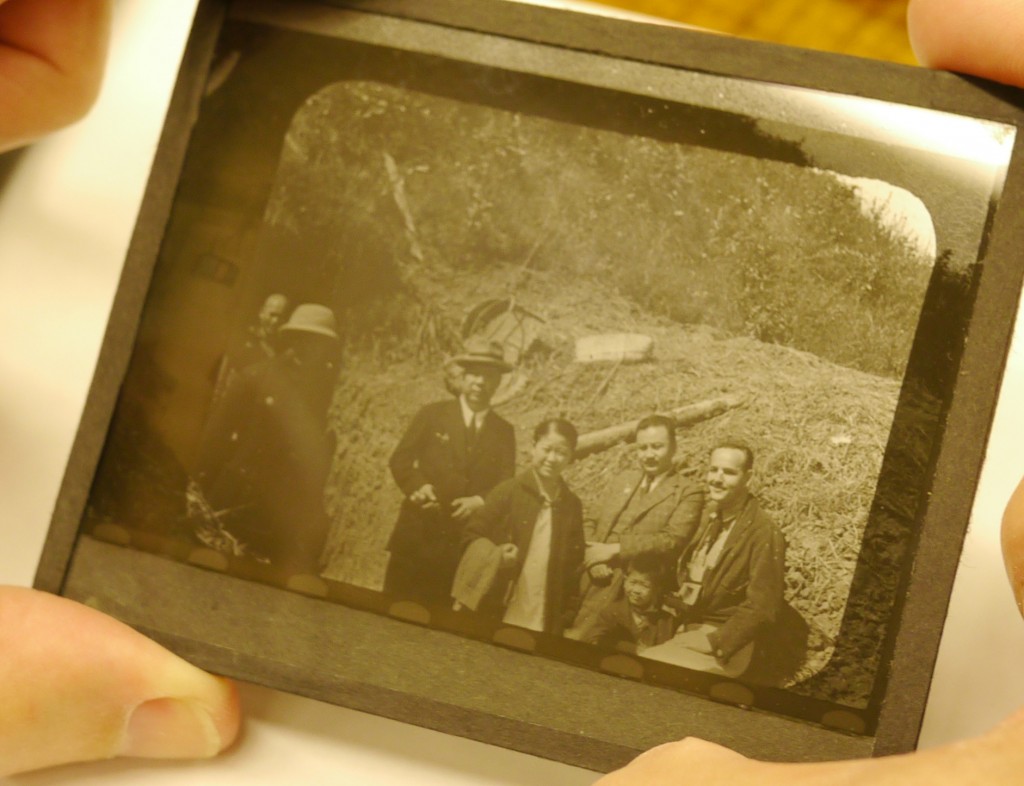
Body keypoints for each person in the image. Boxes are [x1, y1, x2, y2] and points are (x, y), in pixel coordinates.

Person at [5, 0, 1024, 778]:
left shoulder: (572, 457)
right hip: (422, 537)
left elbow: (572, 488)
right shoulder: (455, 422)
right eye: (479, 372)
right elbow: (424, 459)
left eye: (701, 461)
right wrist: (428, 495)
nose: (488, 383)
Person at [191, 303, 341, 574]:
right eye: (310, 341)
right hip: (237, 500)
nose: (316, 351)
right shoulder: (256, 378)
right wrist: (200, 496)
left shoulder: (320, 392)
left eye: (323, 344)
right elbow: (215, 440)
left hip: (280, 513)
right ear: (294, 340)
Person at [384, 336, 516, 604]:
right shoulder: (432, 414)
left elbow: (506, 482)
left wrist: (479, 502)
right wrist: (418, 487)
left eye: (489, 377)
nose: (480, 382)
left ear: (498, 382)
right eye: (474, 375)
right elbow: (401, 459)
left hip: (459, 544)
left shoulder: (504, 432)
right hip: (416, 535)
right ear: (463, 377)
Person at [641, 439, 784, 677]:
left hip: (722, 641)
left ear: (748, 478)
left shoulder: (763, 531)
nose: (717, 479)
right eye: (713, 470)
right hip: (689, 629)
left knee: (646, 666)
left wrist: (716, 642)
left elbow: (763, 606)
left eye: (729, 472)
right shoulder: (710, 515)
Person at [567, 414, 703, 640]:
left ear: (674, 447)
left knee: (586, 640)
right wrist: (593, 557)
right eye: (643, 448)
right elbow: (590, 520)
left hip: (629, 588)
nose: (649, 455)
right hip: (588, 572)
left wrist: (614, 550)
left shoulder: (687, 491)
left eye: (657, 447)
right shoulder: (623, 479)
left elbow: (672, 540)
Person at [459, 418, 585, 634]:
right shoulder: (508, 491)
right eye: (546, 449)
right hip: (502, 599)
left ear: (571, 456)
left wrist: (567, 612)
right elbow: (471, 534)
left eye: (562, 452)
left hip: (544, 607)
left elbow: (574, 561)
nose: (552, 458)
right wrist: (496, 555)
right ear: (533, 447)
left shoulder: (571, 505)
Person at [584, 552, 678, 653]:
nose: (636, 590)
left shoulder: (665, 620)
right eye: (632, 582)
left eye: (645, 586)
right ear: (625, 581)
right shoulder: (611, 612)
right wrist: (633, 649)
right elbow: (594, 640)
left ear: (657, 589)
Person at [210, 292, 291, 407]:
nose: (275, 321)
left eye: (281, 317)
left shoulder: (284, 349)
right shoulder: (243, 341)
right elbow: (222, 377)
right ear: (261, 313)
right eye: (272, 315)